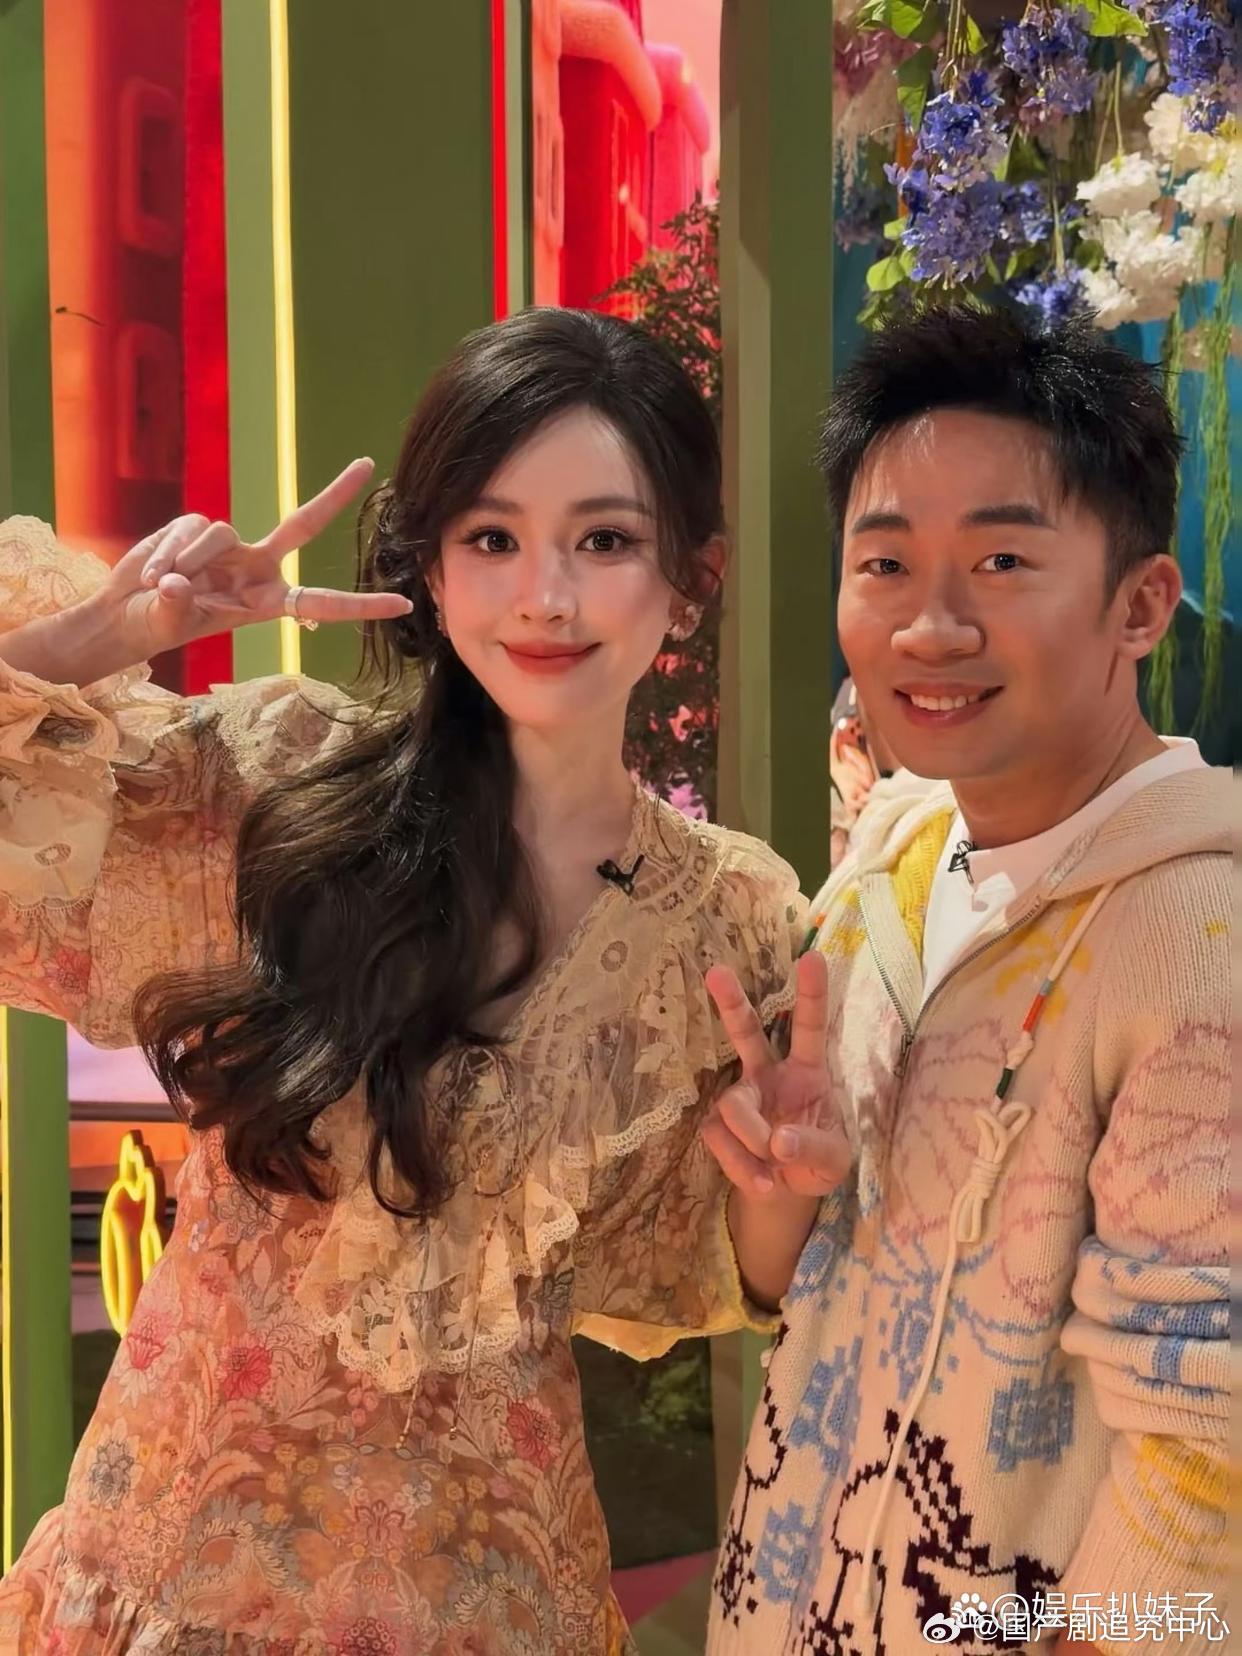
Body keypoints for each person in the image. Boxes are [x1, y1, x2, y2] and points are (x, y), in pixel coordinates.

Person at [0, 308, 816, 1654]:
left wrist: (785, 1188)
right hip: (170, 1586)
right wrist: (107, 629)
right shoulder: (272, 783)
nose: (544, 596)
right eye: (492, 539)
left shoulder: (732, 918)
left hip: (492, 1600)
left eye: (604, 541)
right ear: (429, 568)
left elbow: (693, 1262)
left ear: (690, 576)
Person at [700, 309, 1230, 1655]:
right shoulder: (891, 853)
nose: (930, 626)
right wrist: (782, 1185)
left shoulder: (1197, 934)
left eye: (1001, 561)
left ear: (1139, 605)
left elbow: (1209, 1435)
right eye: (884, 564)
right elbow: (779, 1283)